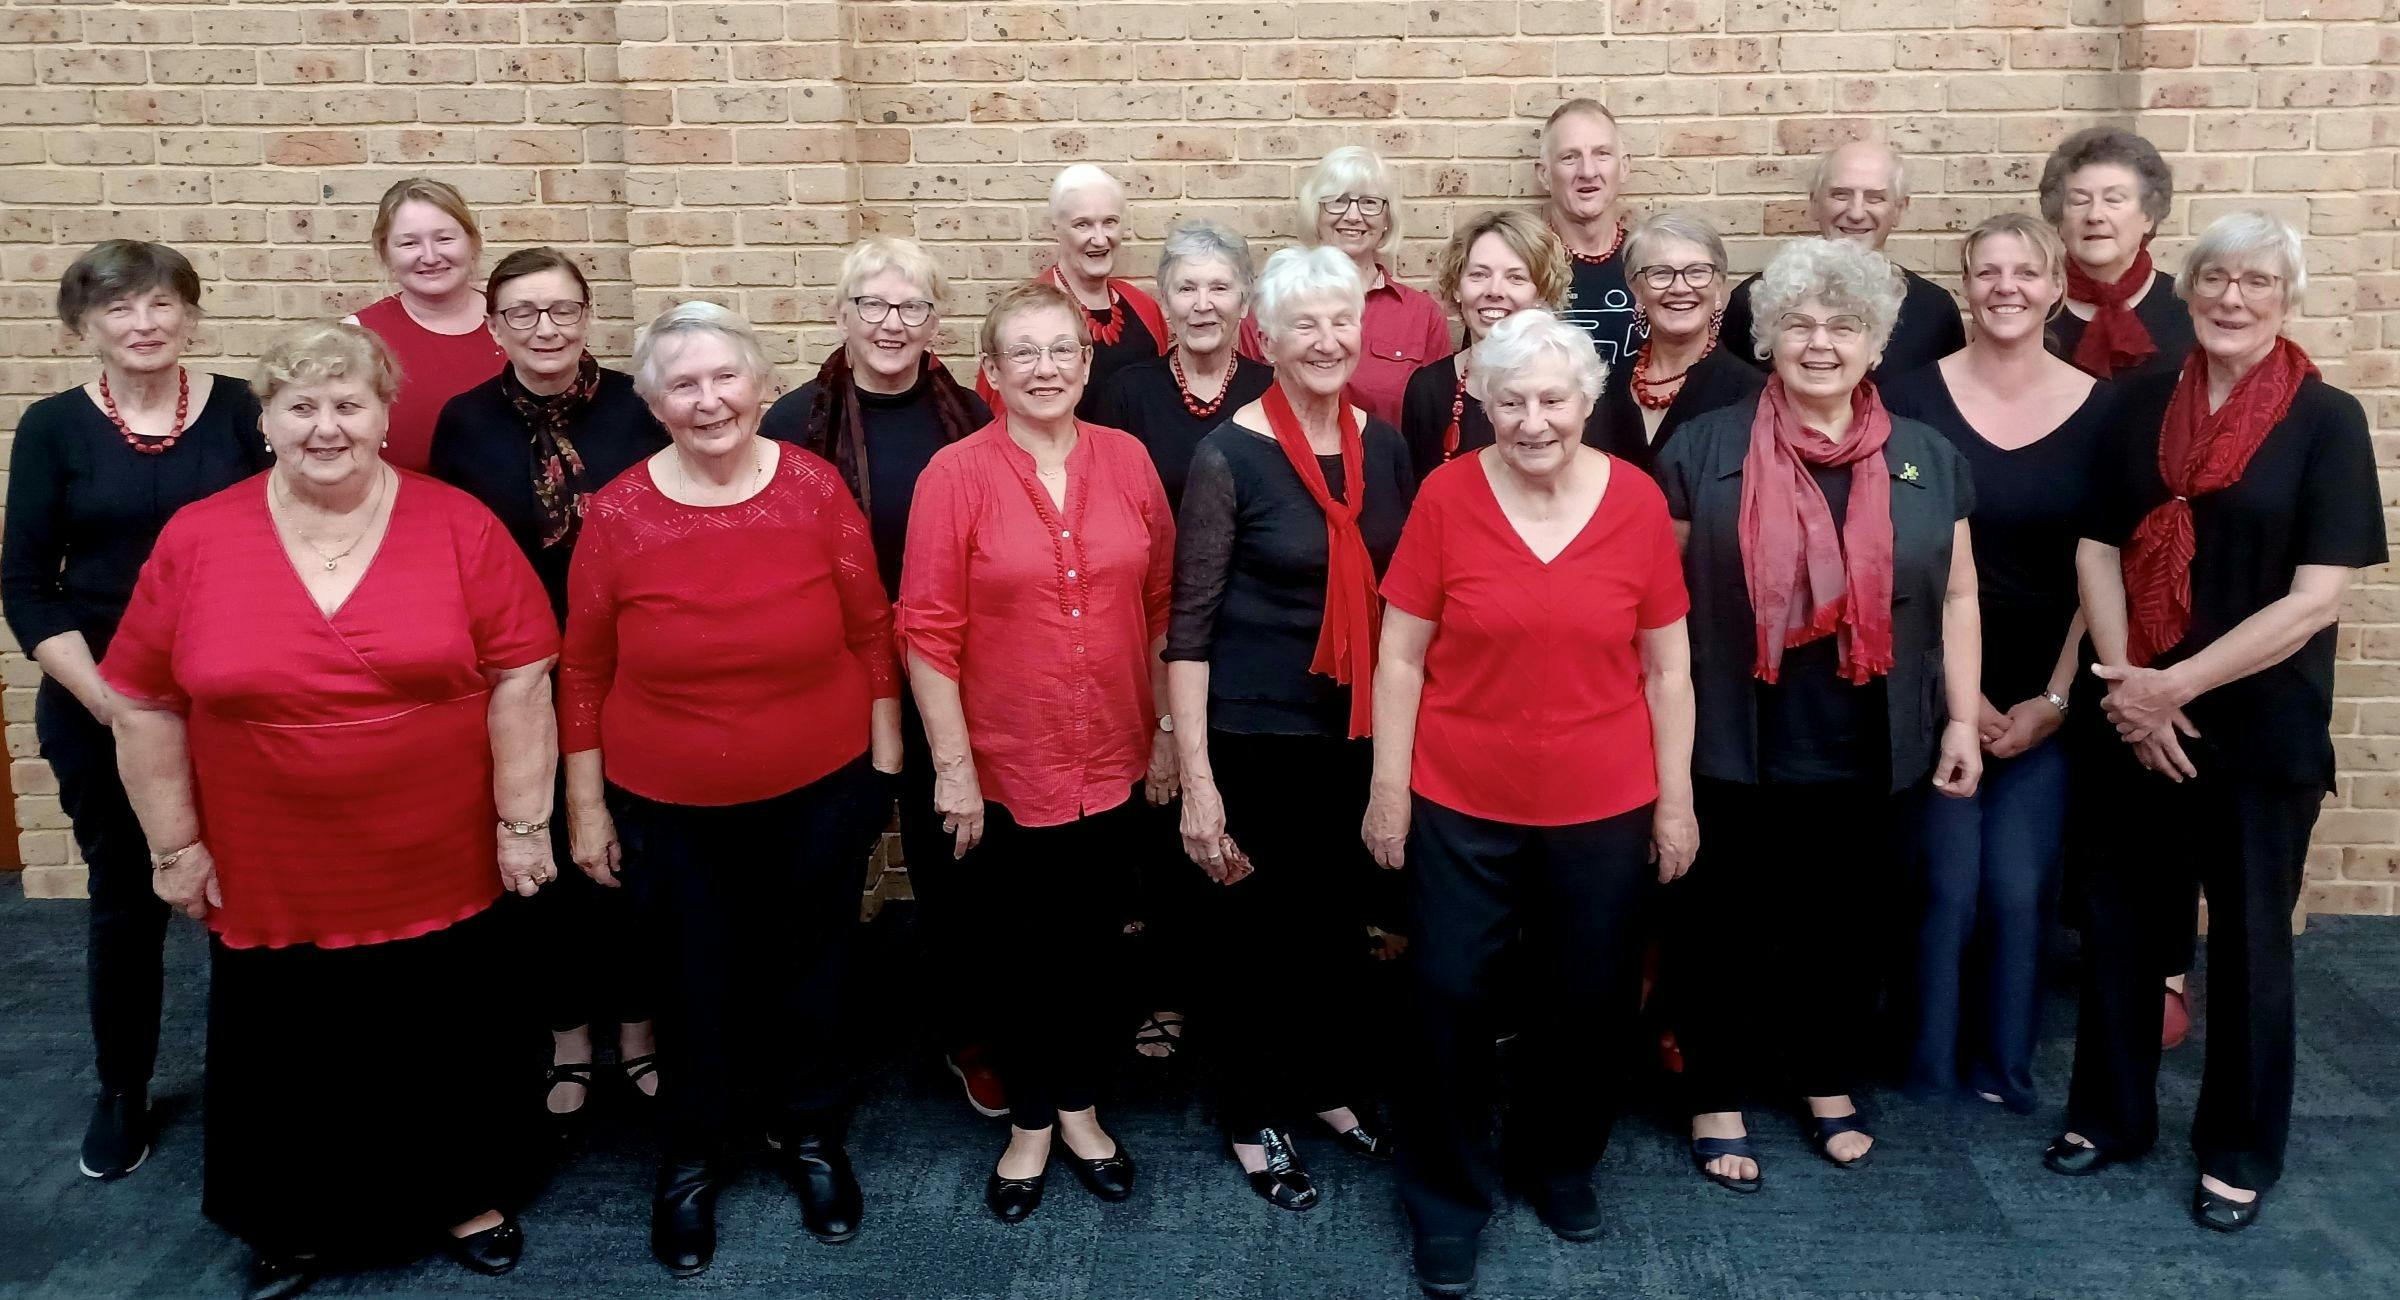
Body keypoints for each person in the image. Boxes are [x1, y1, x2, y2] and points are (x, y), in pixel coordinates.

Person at [100, 321, 559, 1299]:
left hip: (437, 843)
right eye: (300, 406)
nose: (326, 426)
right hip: (270, 855)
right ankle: (295, 1220)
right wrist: (174, 847)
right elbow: (142, 703)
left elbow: (523, 677)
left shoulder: (458, 523)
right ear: (264, 421)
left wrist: (522, 826)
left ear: (384, 416)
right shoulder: (199, 536)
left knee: (441, 1025)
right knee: (290, 1043)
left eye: (348, 404)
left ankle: (464, 1194)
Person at [2048, 211, 2385, 1234]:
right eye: (2216, 279)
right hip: (2134, 713)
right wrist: (2129, 686)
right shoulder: (2140, 401)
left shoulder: (2327, 420)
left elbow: (2315, 599)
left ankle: (2238, 1148)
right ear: (2188, 290)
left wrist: (2175, 687)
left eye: (2257, 282)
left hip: (2258, 730)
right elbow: (2098, 548)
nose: (2233, 299)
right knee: (2119, 928)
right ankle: (2110, 1116)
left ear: (2286, 299)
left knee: (2247, 945)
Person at [557, 303, 903, 1275]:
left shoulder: (815, 488)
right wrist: (584, 805)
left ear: (759, 386)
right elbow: (582, 669)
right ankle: (693, 1155)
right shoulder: (619, 511)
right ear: (655, 403)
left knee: (812, 969)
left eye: (724, 378)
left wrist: (883, 765)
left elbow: (871, 627)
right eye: (684, 384)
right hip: (667, 802)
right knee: (692, 980)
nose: (708, 400)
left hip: (820, 786)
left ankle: (810, 1134)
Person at [1366, 309, 1695, 1297]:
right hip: (1461, 797)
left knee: (1588, 1001)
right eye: (1511, 402)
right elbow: (1400, 656)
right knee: (1446, 997)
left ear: (1587, 403)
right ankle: (1445, 1199)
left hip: (1603, 800)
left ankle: (1559, 1164)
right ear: (1483, 403)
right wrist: (1389, 791)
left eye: (1554, 399)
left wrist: (1675, 801)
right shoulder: (1446, 495)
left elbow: (1668, 668)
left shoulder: (1636, 501)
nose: (1533, 420)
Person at [1654, 237, 1982, 1194]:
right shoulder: (1702, 448)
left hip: (1874, 743)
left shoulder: (1928, 459)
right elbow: (1656, 603)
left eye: (1844, 325)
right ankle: (1716, 1092)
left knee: (1846, 927)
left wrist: (1963, 721)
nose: (1820, 342)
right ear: (1767, 338)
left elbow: (1959, 597)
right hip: (1732, 735)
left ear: (1875, 343)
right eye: (1798, 323)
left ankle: (1825, 1077)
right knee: (1720, 925)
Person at [897, 281, 1178, 1225]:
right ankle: (1027, 1123)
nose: (1046, 368)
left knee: (1093, 946)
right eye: (1024, 352)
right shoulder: (954, 476)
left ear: (1087, 364)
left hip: (1113, 753)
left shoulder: (1128, 460)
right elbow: (927, 632)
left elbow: (1161, 605)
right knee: (1012, 953)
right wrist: (953, 769)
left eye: (1063, 349)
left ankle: (1082, 1110)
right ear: (992, 371)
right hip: (1006, 766)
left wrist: (1166, 734)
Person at [1, 241, 267, 1184]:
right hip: (99, 698)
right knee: (128, 898)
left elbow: (289, 537)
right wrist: (115, 705)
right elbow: (26, 586)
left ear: (190, 315)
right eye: (119, 309)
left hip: (235, 698)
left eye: (160, 304)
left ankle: (259, 1078)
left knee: (257, 894)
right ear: (83, 327)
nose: (144, 324)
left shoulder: (243, 411)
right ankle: (122, 1086)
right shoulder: (52, 428)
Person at [1166, 245, 1410, 1213]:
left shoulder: (1384, 445)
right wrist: (1198, 783)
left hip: (1352, 735)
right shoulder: (1229, 455)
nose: (1325, 339)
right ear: (1264, 338)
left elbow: (1405, 601)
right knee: (1251, 940)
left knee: (1331, 928)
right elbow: (1189, 630)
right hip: (1252, 740)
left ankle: (1323, 1085)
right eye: (1303, 323)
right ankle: (1249, 1111)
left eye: (1340, 320)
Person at [427, 247, 670, 1136]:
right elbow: (451, 548)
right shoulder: (464, 422)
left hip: (631, 665)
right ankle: (568, 1035)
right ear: (494, 327)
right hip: (515, 673)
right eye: (523, 313)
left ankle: (639, 1027)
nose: (545, 329)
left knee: (627, 853)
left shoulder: (641, 409)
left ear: (587, 316)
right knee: (543, 858)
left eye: (562, 310)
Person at [758, 237, 1000, 1114]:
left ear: (937, 322)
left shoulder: (972, 418)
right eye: (874, 304)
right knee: (820, 869)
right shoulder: (791, 425)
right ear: (842, 314)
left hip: (951, 676)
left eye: (912, 307)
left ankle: (970, 1033)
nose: (892, 323)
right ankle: (812, 1053)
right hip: (831, 679)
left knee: (960, 865)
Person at [1881, 215, 2114, 1113]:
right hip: (1934, 675)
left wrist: (2057, 696)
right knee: (1947, 887)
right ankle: (1925, 1065)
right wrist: (1959, 695)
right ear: (1966, 286)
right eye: (1988, 272)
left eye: (2026, 272)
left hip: (2053, 683)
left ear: (2055, 289)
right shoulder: (1905, 400)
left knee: (2017, 888)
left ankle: (2000, 1068)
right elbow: (1897, 558)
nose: (2006, 287)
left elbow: (2107, 567)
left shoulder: (2104, 410)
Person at [1242, 146, 1450, 428]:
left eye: (1369, 203)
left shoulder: (1421, 315)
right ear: (1315, 212)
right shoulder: (1270, 306)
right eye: (1338, 201)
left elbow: (1436, 423)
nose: (1353, 216)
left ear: (1387, 219)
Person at [1719, 142, 1965, 379]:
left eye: (1875, 198)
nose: (1856, 213)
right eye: (1840, 195)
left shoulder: (1935, 311)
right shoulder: (1755, 301)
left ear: (1899, 209)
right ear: (1815, 203)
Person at [1398, 209, 1606, 481]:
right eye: (1479, 274)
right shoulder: (1428, 390)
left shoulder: (1577, 384)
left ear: (1541, 292)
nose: (1495, 291)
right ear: (1457, 287)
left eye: (1515, 277)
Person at [1090, 218, 1274, 511]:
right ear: (1165, 302)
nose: (1202, 305)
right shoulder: (1126, 394)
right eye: (1186, 289)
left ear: (1244, 303)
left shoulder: (1273, 391)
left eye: (1219, 288)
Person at [345, 178, 505, 472]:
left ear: (472, 242)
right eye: (409, 243)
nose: (430, 257)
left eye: (444, 239)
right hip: (403, 500)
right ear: (385, 252)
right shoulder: (355, 338)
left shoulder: (520, 321)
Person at [1595, 211, 1764, 474]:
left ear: (1718, 284)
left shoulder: (1752, 393)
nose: (1680, 288)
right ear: (1636, 288)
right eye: (1661, 273)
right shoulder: (1604, 387)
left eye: (1697, 272)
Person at [997, 164, 1168, 418]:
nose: (1099, 239)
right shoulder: (1022, 314)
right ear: (1055, 228)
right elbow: (1000, 415)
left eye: (1109, 222)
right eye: (1082, 225)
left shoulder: (1144, 308)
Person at [2040, 127, 2195, 383]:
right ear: (2059, 220)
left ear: (2148, 216)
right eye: (2079, 201)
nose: (2094, 216)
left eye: (2113, 199)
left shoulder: (2188, 309)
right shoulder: (2034, 308)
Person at [1536, 98, 1642, 367]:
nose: (1587, 171)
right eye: (1569, 157)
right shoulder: (1521, 267)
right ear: (1544, 174)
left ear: (1624, 167)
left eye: (1602, 154)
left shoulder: (1653, 262)